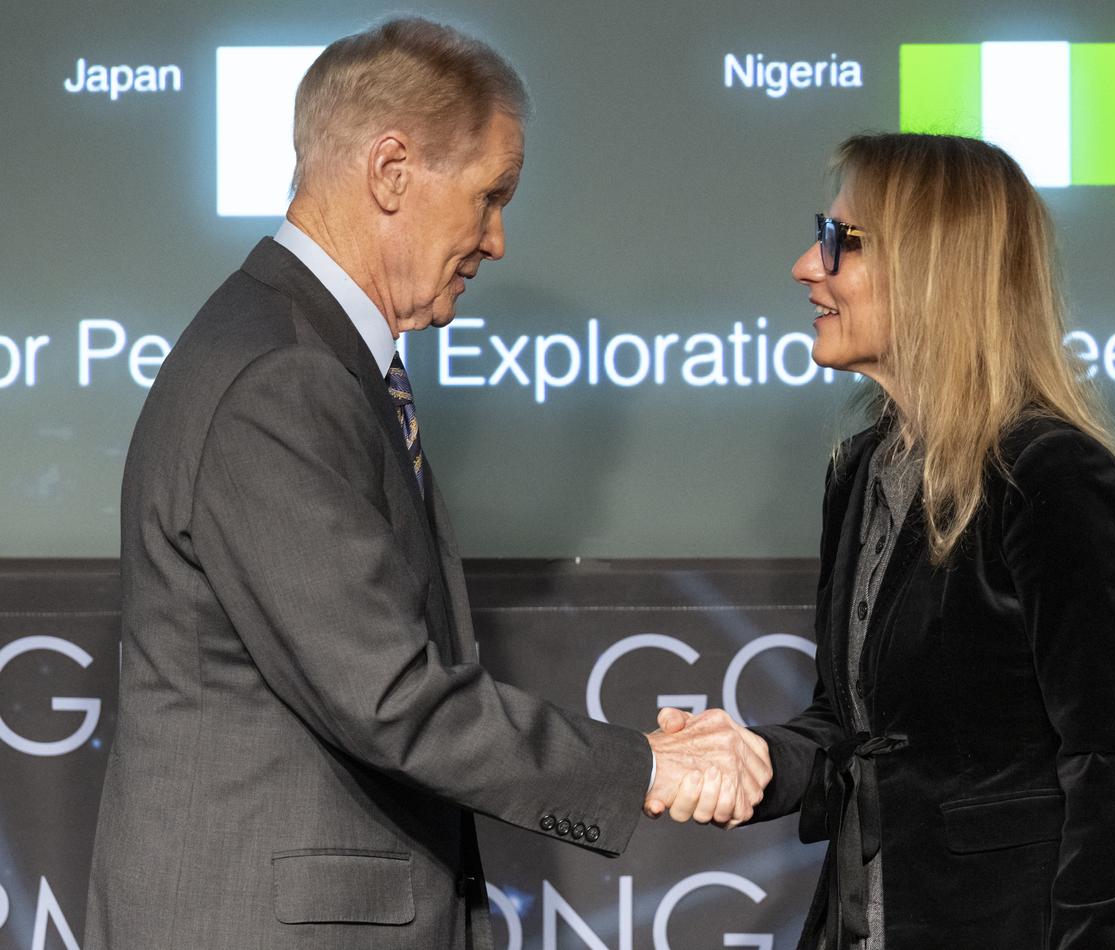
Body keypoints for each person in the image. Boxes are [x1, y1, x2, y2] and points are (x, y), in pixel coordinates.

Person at [84, 17, 770, 949]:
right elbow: (389, 697)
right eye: (491, 197)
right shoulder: (284, 377)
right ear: (392, 170)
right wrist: (641, 767)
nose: (496, 239)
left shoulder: (309, 353)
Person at [651, 133, 1115, 949]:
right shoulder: (862, 470)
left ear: (933, 268)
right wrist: (753, 760)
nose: (804, 267)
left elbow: (1110, 765)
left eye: (837, 242)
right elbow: (851, 728)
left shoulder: (1054, 474)